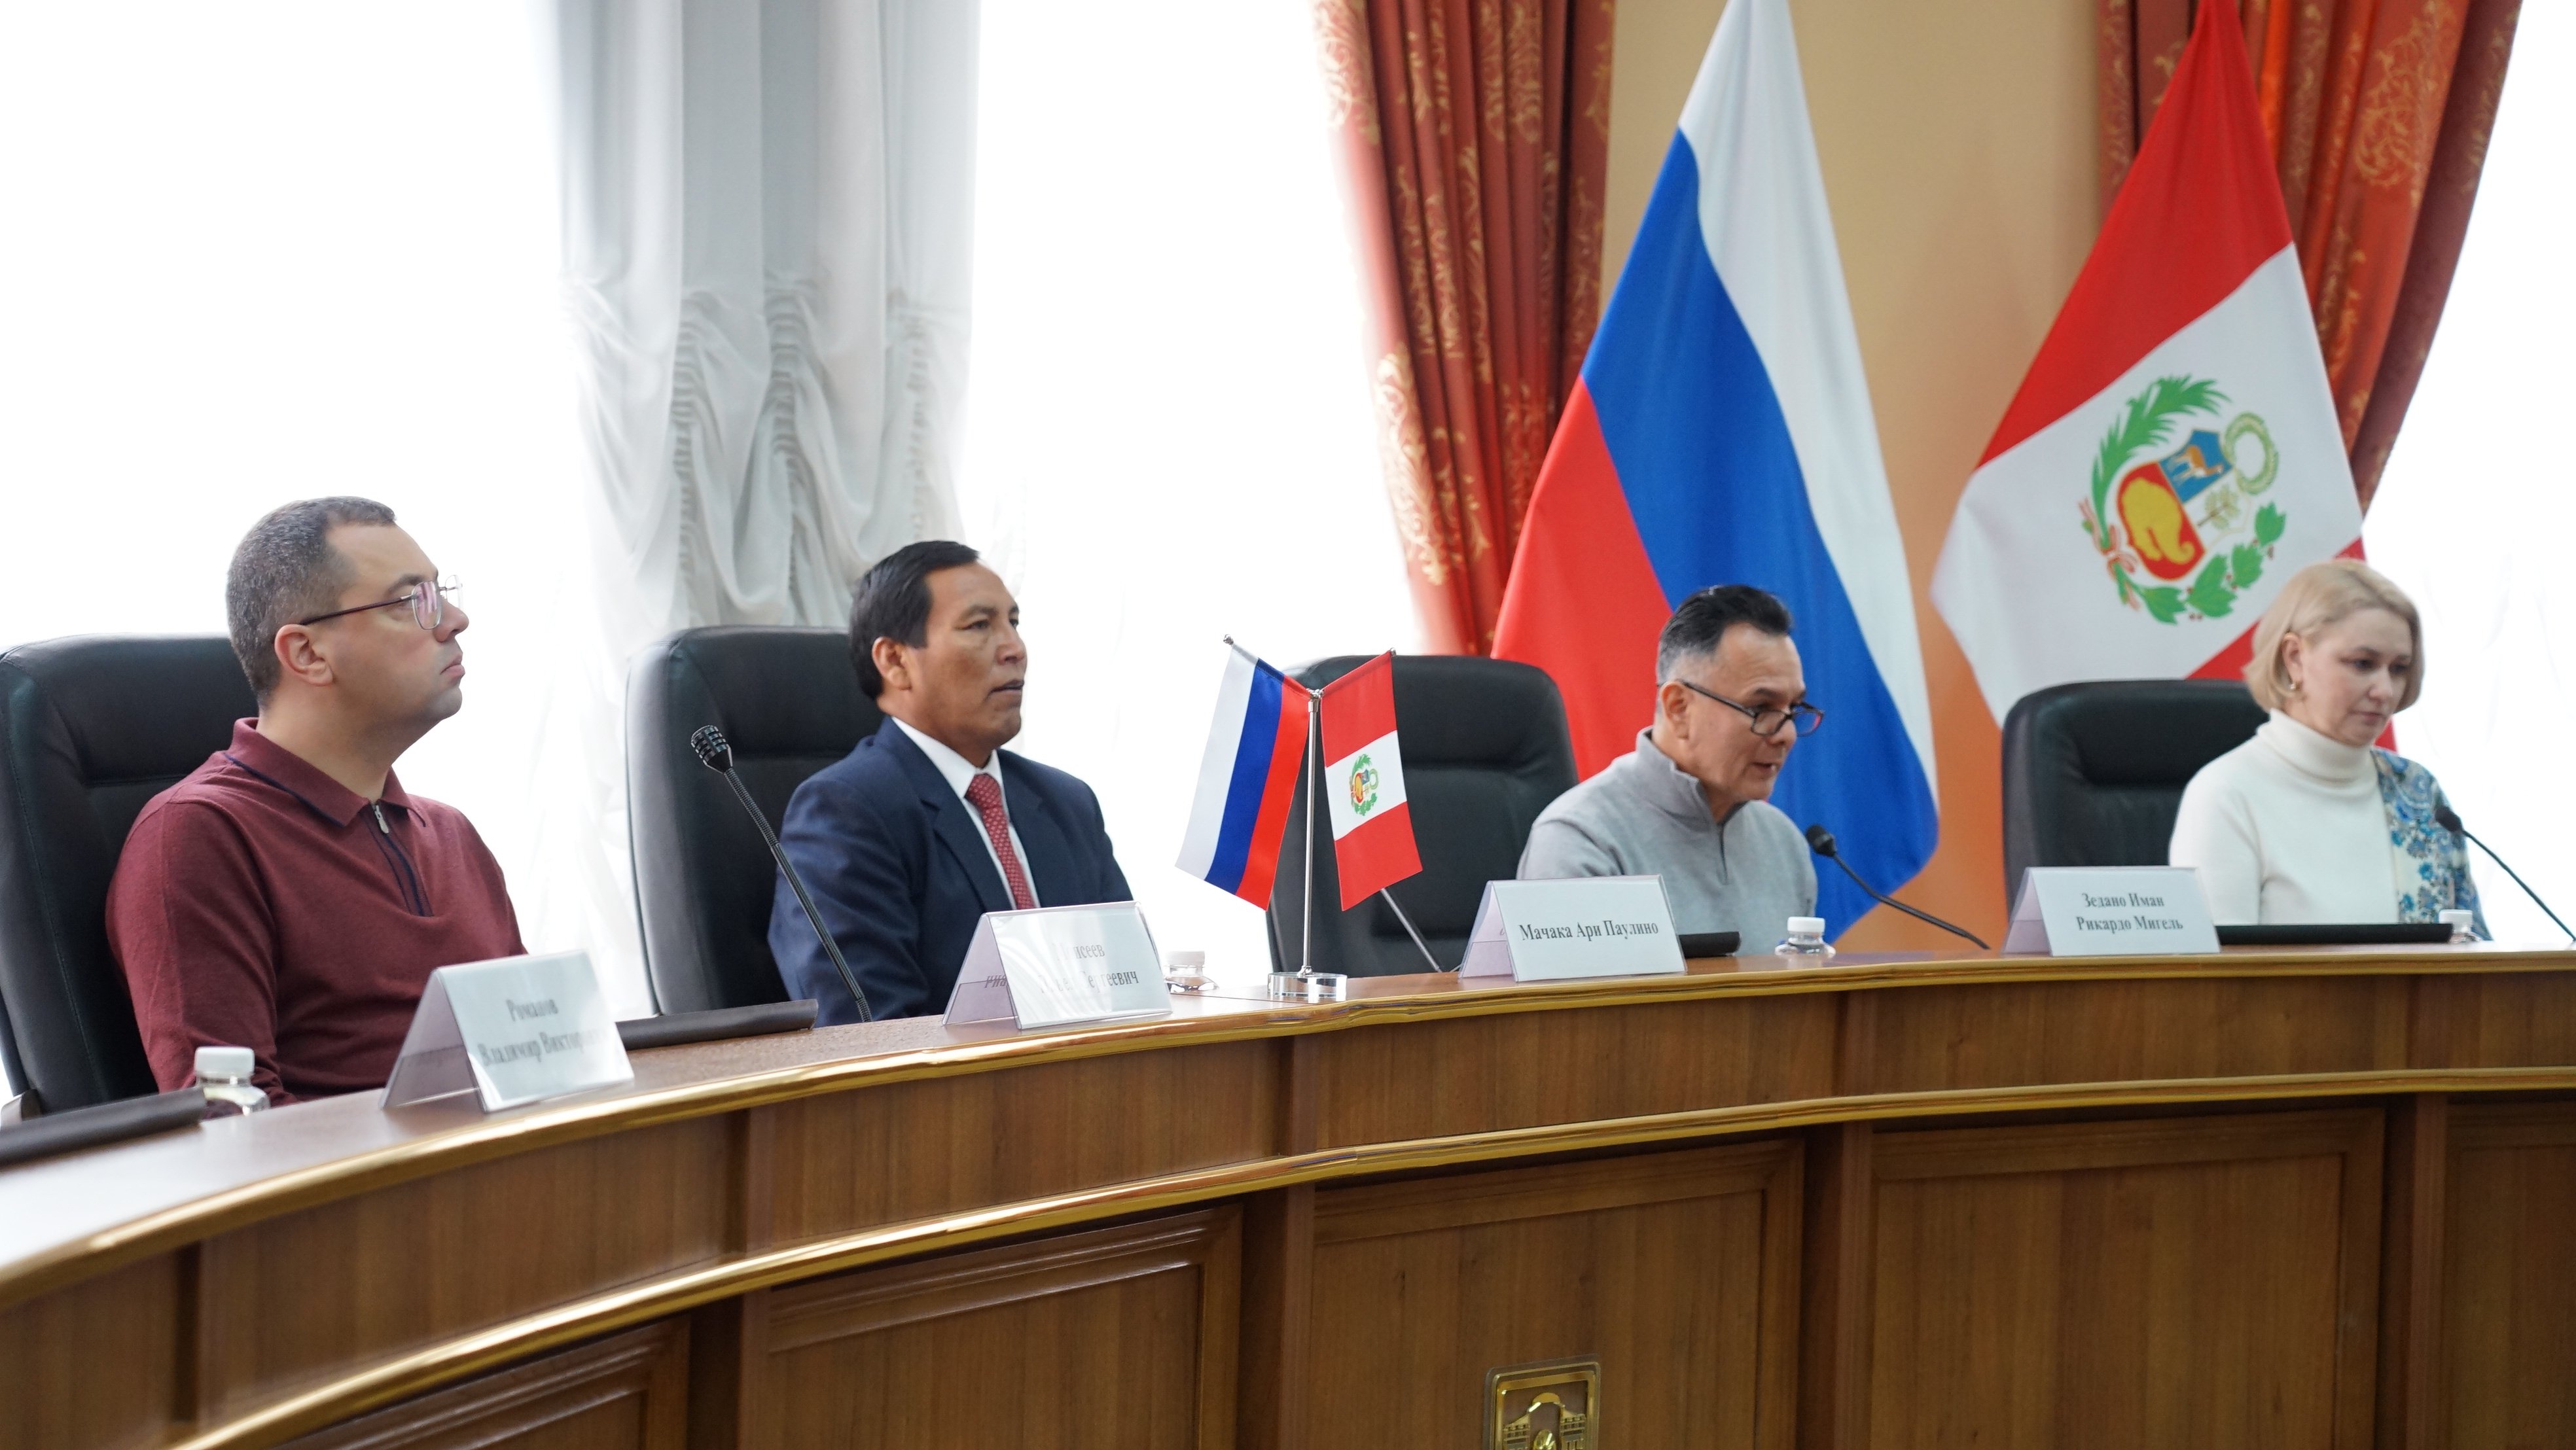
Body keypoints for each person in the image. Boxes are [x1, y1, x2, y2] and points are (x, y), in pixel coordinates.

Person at [107, 498, 522, 1103]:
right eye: (411, 601)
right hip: (380, 1170)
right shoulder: (199, 834)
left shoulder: (452, 833)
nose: (455, 620)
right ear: (307, 654)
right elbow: (233, 1121)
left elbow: (533, 1060)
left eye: (442, 592)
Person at [771, 541, 1130, 1021]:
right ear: (895, 661)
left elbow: (1130, 987)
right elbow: (868, 1027)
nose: (1015, 649)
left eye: (1014, 623)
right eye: (979, 626)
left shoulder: (1068, 802)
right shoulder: (844, 813)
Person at [2170, 559, 2482, 929]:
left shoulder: (2417, 791)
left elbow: (2472, 948)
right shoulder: (2225, 795)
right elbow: (2214, 964)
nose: (2385, 691)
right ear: (2295, 658)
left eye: (2399, 669)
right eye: (2363, 663)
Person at [1518, 584, 1819, 950]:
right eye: (1760, 709)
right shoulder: (1581, 841)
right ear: (1679, 708)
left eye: (1794, 709)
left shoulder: (1784, 843)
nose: (1787, 734)